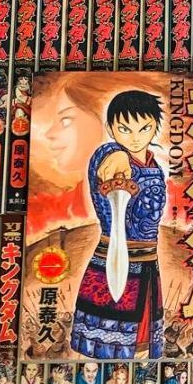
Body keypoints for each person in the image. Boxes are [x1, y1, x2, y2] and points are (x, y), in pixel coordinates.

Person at [70, 89, 167, 359]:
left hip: (148, 261)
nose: (135, 137)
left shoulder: (155, 165)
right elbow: (106, 158)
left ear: (155, 127)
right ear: (111, 128)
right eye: (125, 129)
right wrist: (115, 152)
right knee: (109, 346)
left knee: (144, 345)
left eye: (144, 128)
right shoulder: (112, 155)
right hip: (114, 258)